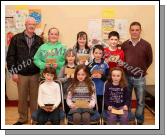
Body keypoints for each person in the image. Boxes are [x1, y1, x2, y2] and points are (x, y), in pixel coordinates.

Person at [6, 17, 43, 125]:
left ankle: (34, 119)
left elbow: (42, 57)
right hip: (21, 74)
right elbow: (11, 56)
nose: (31, 26)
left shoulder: (39, 40)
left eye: (34, 24)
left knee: (34, 98)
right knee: (22, 97)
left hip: (35, 74)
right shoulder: (16, 38)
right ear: (25, 25)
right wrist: (13, 72)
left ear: (35, 26)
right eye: (29, 24)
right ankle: (22, 118)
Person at [121, 21, 153, 125]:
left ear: (140, 31)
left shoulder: (147, 45)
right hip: (126, 76)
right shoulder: (125, 44)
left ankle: (139, 121)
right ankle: (129, 118)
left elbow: (149, 60)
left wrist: (141, 70)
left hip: (140, 78)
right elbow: (122, 59)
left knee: (140, 101)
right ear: (129, 31)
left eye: (137, 30)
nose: (134, 32)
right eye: (132, 30)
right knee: (127, 100)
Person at [87, 44, 109, 113]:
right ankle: (95, 122)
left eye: (100, 53)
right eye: (96, 53)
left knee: (102, 109)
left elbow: (109, 77)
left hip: (103, 91)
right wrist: (91, 77)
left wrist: (101, 76)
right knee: (93, 109)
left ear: (102, 54)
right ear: (93, 53)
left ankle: (102, 122)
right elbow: (85, 78)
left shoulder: (106, 65)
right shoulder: (89, 65)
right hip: (92, 91)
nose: (98, 55)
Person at [58, 48, 77, 113]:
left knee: (74, 111)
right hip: (65, 94)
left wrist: (76, 78)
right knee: (67, 111)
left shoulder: (77, 67)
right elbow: (59, 80)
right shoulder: (63, 68)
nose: (70, 58)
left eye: (72, 56)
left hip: (76, 94)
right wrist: (66, 78)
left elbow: (82, 79)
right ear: (66, 57)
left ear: (75, 57)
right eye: (68, 56)